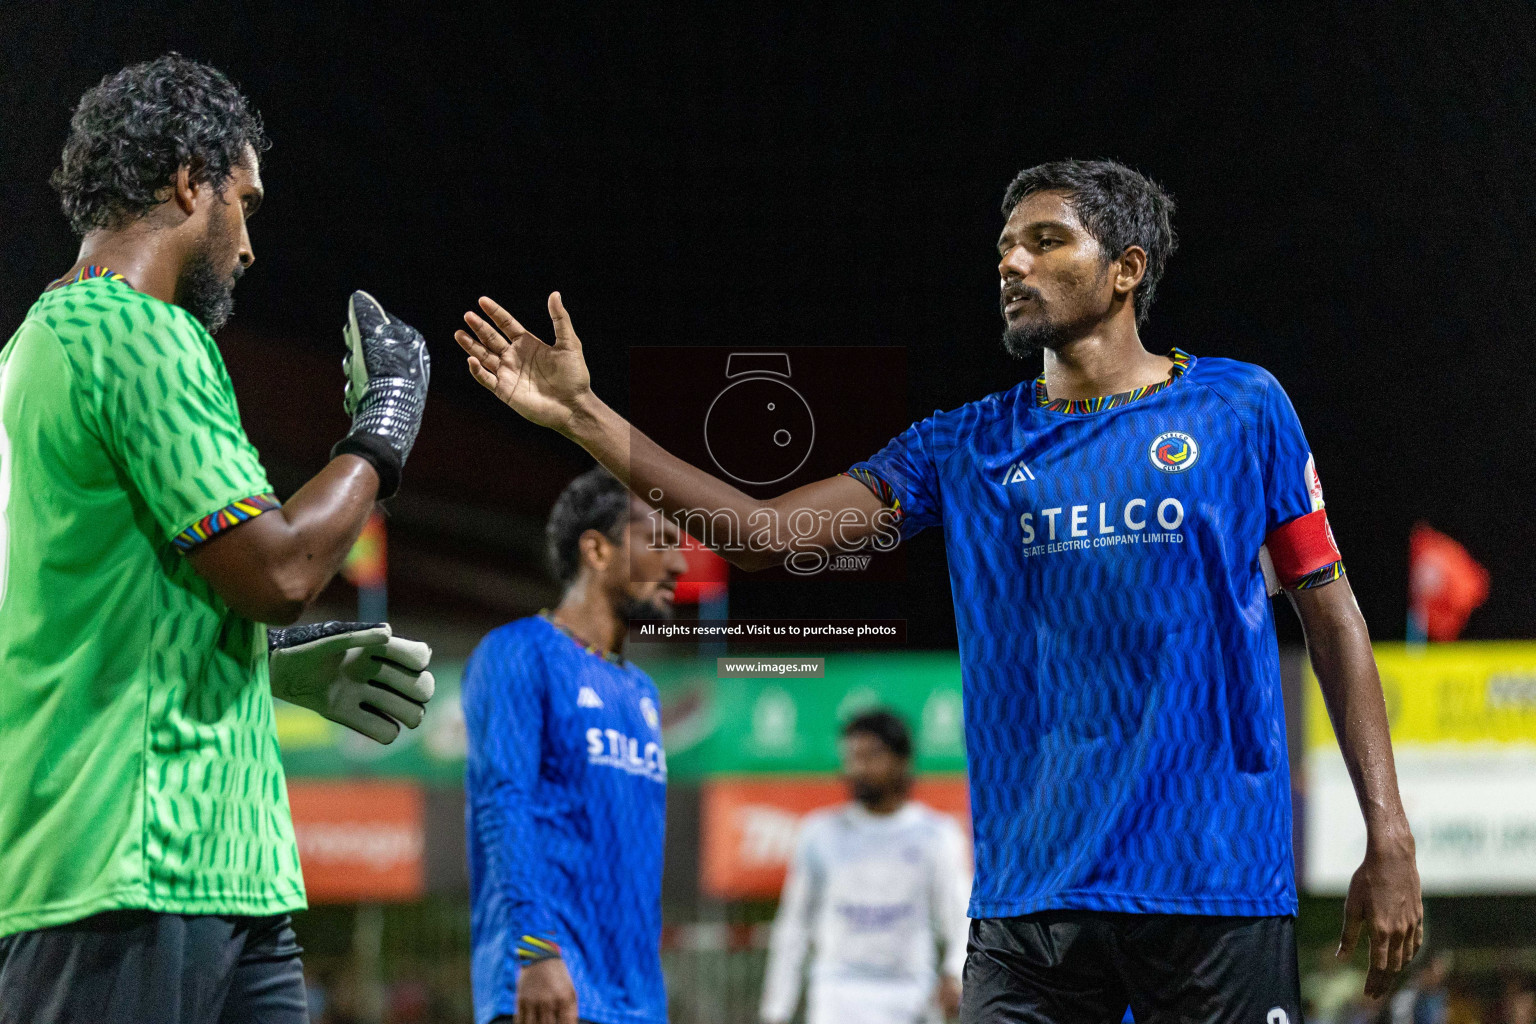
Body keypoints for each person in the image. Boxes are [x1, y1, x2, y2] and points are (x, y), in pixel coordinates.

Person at [456, 157, 1424, 1021]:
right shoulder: (963, 445)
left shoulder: (1240, 406)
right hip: (1029, 910)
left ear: (1127, 268)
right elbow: (760, 536)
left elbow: (1329, 611)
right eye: (1005, 246)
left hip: (1212, 889)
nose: (1012, 263)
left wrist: (1389, 832)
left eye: (1047, 241)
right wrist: (585, 416)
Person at [0, 56, 433, 1023]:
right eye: (245, 201)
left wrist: (271, 665)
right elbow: (280, 570)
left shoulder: (37, 347)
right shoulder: (136, 333)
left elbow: (83, 602)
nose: (248, 244)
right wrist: (386, 426)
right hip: (133, 865)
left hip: (215, 872)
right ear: (190, 182)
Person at [464, 466, 688, 1024]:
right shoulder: (517, 652)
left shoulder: (642, 690)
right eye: (657, 541)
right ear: (598, 550)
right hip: (548, 986)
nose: (678, 564)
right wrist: (536, 948)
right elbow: (501, 802)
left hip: (637, 1000)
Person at [760, 709, 970, 1024]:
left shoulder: (937, 835)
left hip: (912, 995)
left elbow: (960, 916)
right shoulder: (820, 833)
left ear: (902, 761)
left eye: (871, 756)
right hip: (836, 994)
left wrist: (954, 973)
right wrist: (775, 1011)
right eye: (852, 757)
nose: (858, 768)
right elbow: (793, 927)